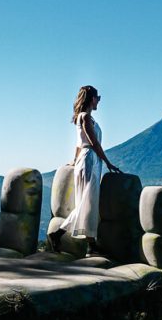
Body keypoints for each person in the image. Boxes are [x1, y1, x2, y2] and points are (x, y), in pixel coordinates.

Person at [50, 85, 120, 254]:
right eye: (98, 98)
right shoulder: (85, 118)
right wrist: (108, 163)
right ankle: (60, 234)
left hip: (90, 160)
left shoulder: (86, 118)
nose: (99, 102)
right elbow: (93, 143)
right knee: (86, 202)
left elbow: (78, 144)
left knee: (88, 202)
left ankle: (90, 244)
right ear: (92, 98)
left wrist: (75, 160)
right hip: (90, 160)